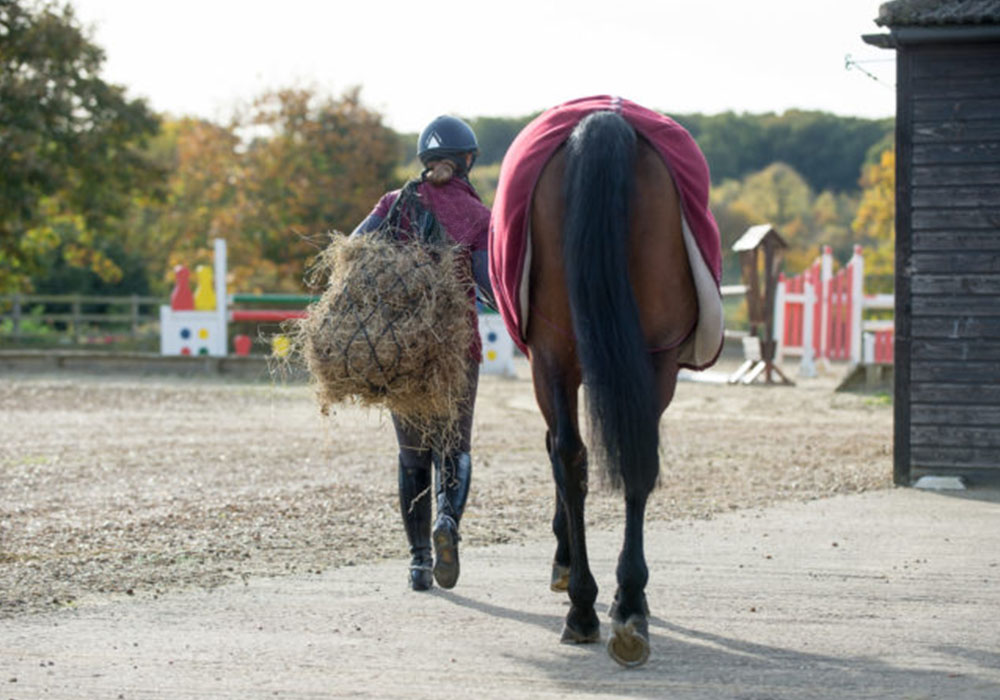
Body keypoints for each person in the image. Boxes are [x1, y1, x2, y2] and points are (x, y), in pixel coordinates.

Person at [351, 115, 492, 591]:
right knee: (455, 447)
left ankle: (418, 562)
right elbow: (490, 290)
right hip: (456, 350)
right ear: (468, 160)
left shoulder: (395, 203)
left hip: (400, 347)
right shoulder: (478, 217)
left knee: (413, 455)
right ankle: (448, 523)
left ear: (425, 160)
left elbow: (352, 249)